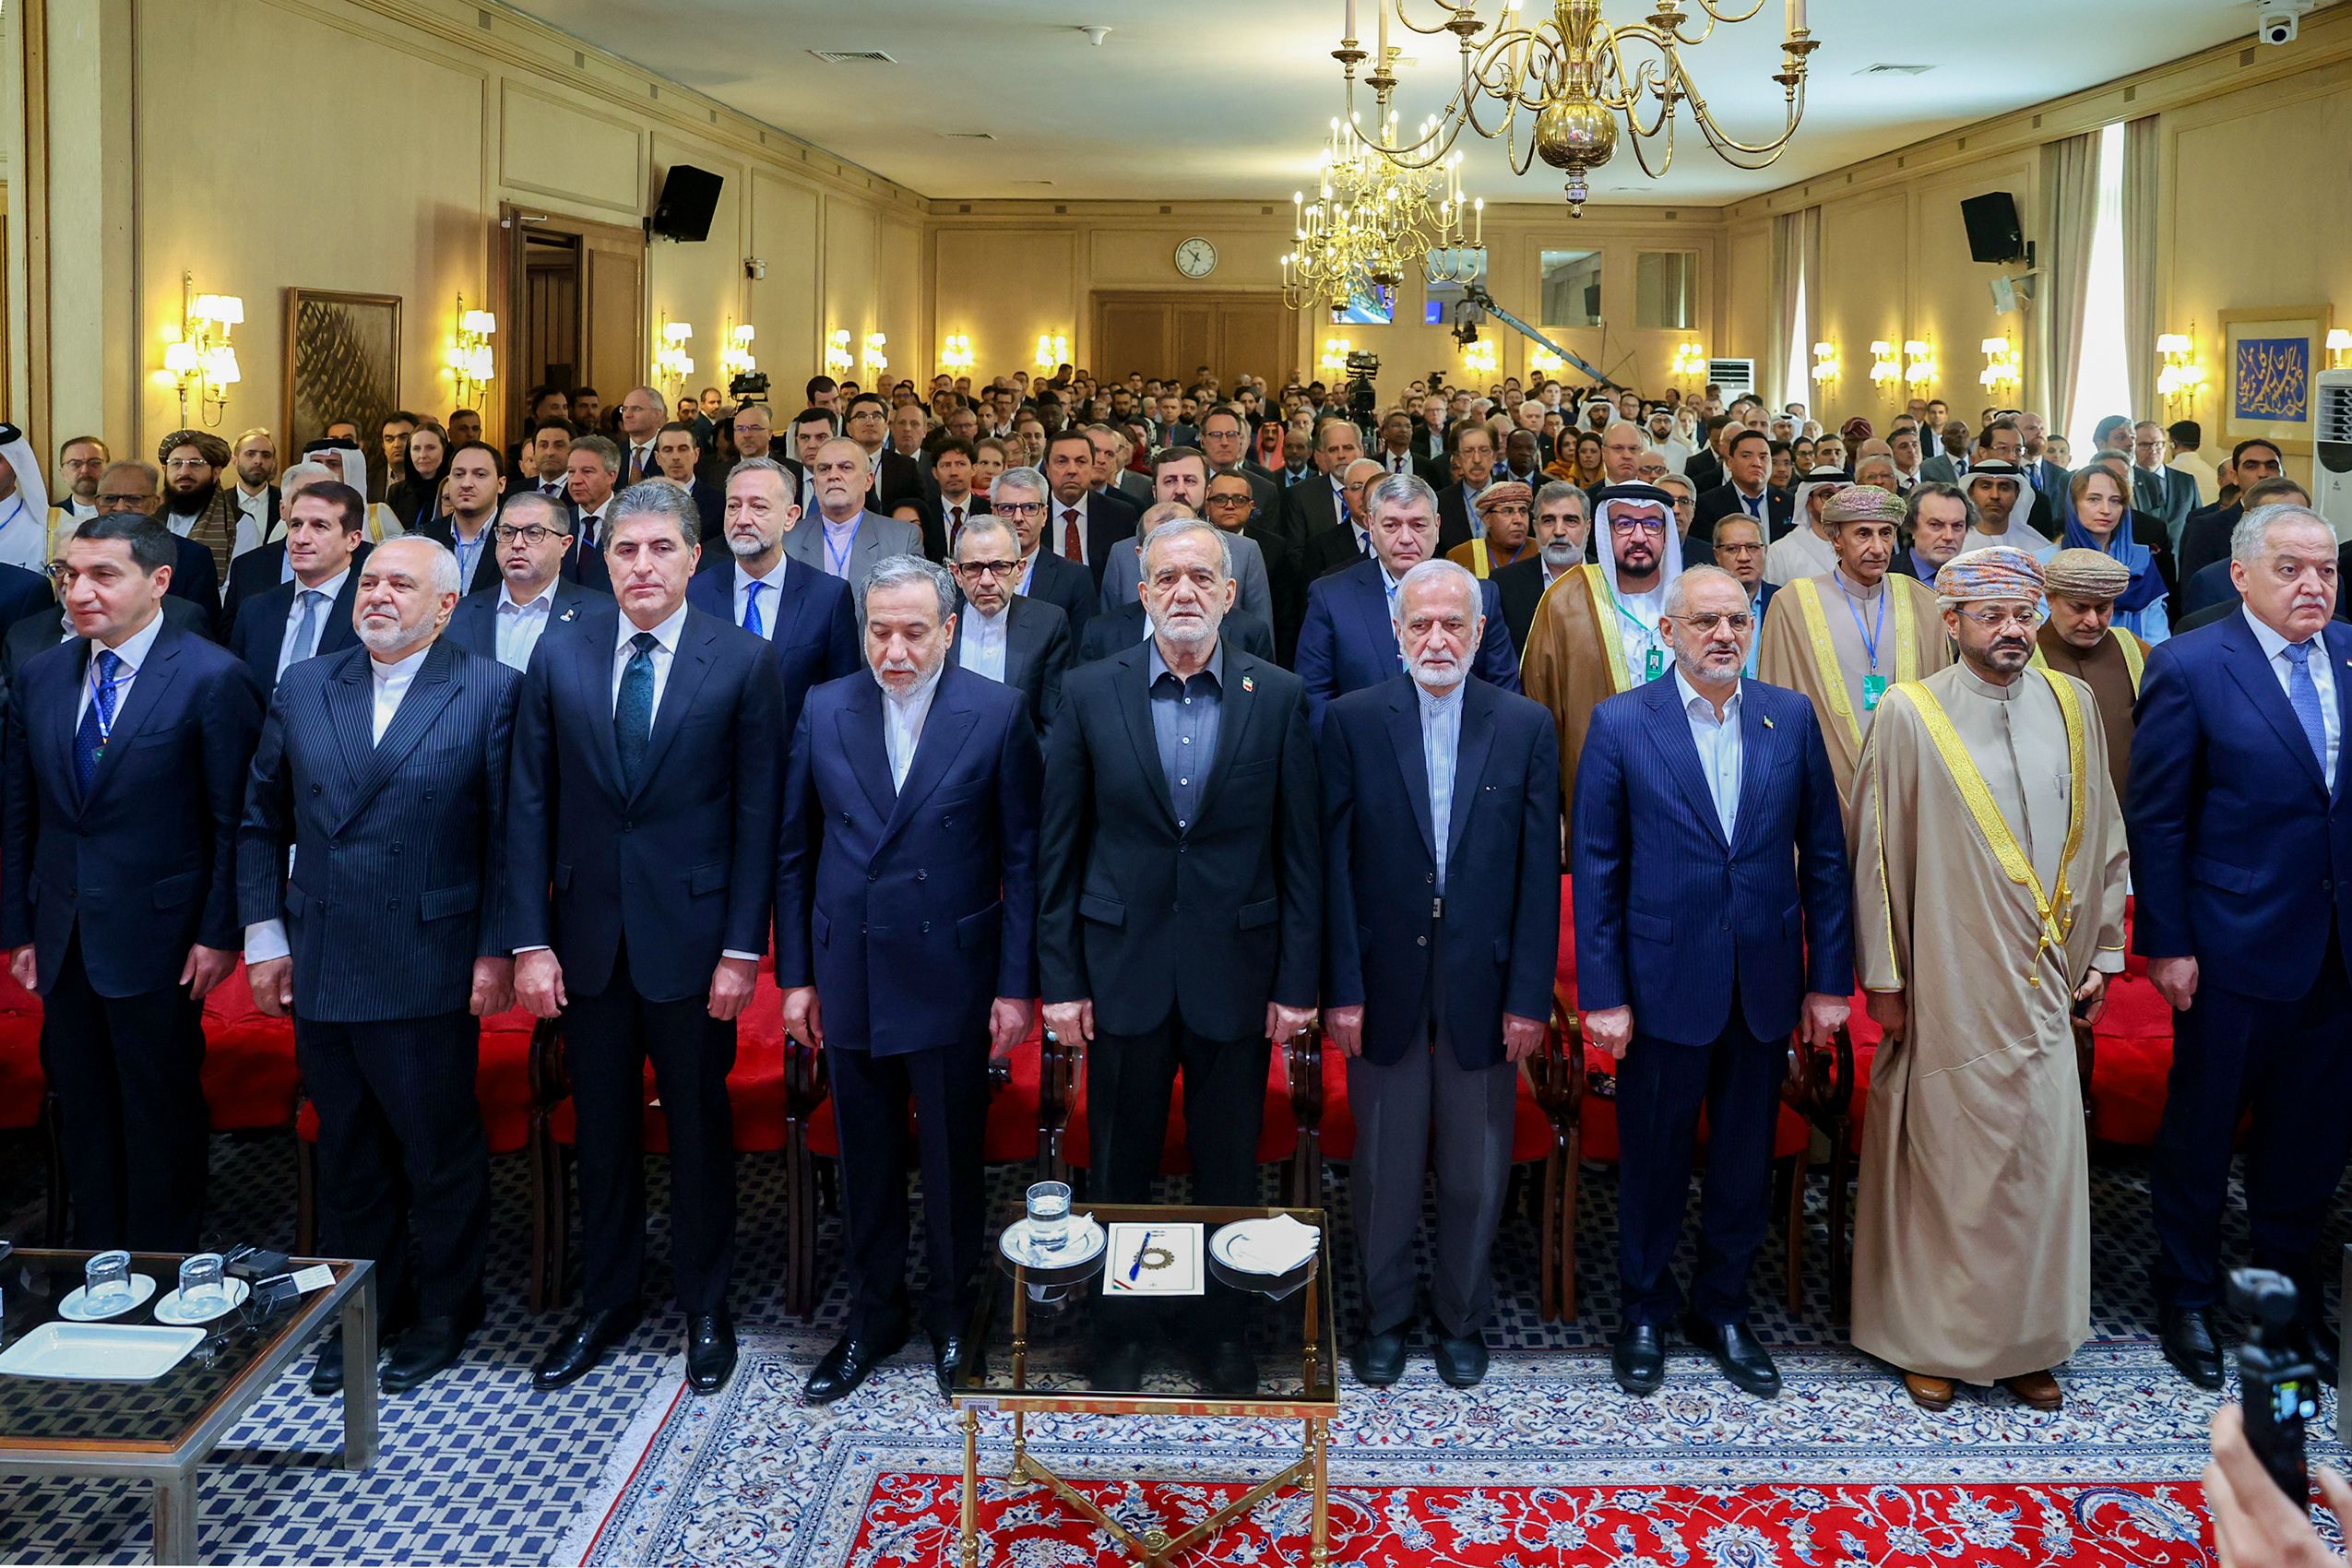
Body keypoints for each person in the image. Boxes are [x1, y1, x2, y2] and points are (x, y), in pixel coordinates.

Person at [508, 481, 786, 1396]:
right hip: (586, 939)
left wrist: (743, 948)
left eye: (661, 548)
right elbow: (529, 803)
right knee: (603, 1128)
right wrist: (529, 939)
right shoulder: (562, 649)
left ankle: (706, 1305)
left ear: (694, 558)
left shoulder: (742, 659)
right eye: (626, 550)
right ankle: (608, 1299)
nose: (643, 566)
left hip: (696, 943)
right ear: (604, 558)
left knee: (698, 1128)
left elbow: (759, 817)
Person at [1039, 517, 1319, 1393]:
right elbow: (1059, 849)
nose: (1185, 592)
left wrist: (1297, 982)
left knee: (1229, 1164)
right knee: (1118, 1163)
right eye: (1167, 578)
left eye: (1202, 577)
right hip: (1120, 968)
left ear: (1231, 594)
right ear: (1141, 593)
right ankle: (1120, 1328)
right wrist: (1060, 981)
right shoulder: (1090, 691)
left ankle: (1222, 1330)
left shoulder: (1279, 694)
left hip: (1237, 969)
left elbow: (1300, 853)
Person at [1849, 546, 2129, 1413]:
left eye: (2022, 615)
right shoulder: (1910, 712)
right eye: (1991, 615)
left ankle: (2027, 1339)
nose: (2011, 630)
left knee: (2039, 1162)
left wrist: (2105, 949)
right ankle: (1934, 1338)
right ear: (1953, 622)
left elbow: (2104, 830)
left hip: (2048, 977)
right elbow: (1876, 856)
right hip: (1948, 973)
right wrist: (1885, 979)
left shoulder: (2072, 703)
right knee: (1953, 1159)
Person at [238, 534, 515, 1395]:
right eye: (370, 582)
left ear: (446, 605)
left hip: (429, 954)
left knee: (436, 1153)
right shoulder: (306, 683)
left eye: (401, 584)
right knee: (349, 1154)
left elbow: (511, 837)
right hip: (324, 953)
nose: (379, 596)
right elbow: (259, 819)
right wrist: (264, 934)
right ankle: (367, 1310)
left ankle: (447, 1310)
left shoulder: (490, 688)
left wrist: (496, 950)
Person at [1574, 564, 1849, 1400]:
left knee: (1742, 1162)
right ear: (1669, 633)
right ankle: (1644, 1311)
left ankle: (1723, 1308)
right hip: (1662, 984)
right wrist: (1603, 994)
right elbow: (1597, 869)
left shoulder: (1789, 716)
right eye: (1705, 622)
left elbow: (1825, 859)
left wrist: (1828, 981)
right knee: (1653, 1161)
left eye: (1737, 619)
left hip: (1763, 983)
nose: (1724, 635)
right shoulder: (1623, 723)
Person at [778, 555, 1041, 1405]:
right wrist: (797, 977)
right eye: (880, 631)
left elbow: (1023, 863)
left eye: (914, 633)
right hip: (849, 964)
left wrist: (1014, 987)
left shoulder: (996, 711)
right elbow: (794, 850)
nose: (895, 651)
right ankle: (873, 1315)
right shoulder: (824, 707)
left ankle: (954, 1313)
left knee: (952, 1159)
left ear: (949, 631)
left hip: (951, 970)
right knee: (866, 1155)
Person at [1321, 559, 1558, 1391]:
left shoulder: (1524, 724)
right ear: (1396, 633)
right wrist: (1342, 988)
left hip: (1484, 986)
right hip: (1383, 979)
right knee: (1383, 1166)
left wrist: (1530, 996)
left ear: (1480, 631)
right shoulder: (1351, 721)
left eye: (1453, 624)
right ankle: (1384, 1316)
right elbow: (1332, 867)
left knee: (1474, 1166)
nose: (1436, 640)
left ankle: (1461, 1315)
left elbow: (1538, 874)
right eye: (1419, 624)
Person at [2131, 503, 2352, 1391]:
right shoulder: (2190, 665)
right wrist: (2168, 942)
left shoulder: (2350, 654)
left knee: (2309, 1141)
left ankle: (2285, 1305)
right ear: (2242, 574)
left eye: (2326, 570)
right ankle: (2185, 1294)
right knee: (2203, 1130)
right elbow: (2158, 818)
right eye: (2292, 569)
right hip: (2228, 946)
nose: (2313, 586)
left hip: (2335, 951)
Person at [0, 512, 261, 1253]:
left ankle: (162, 1261)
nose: (79, 592)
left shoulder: (212, 677)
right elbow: (21, 812)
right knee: (82, 1104)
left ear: (159, 581)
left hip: (164, 935)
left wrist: (220, 932)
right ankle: (97, 1259)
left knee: (158, 1109)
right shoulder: (43, 673)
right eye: (68, 575)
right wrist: (19, 928)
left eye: (102, 575)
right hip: (63, 931)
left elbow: (235, 821)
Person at [1756, 486, 1951, 815]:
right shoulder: (1793, 603)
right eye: (1863, 534)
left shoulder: (1923, 602)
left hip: (1907, 790)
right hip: (1822, 791)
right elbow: (1775, 712)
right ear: (1836, 539)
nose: (1877, 547)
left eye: (1885, 533)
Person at [1295, 472, 1520, 735]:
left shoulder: (1481, 595)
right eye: (1391, 525)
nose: (1405, 538)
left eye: (1418, 525)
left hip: (1462, 747)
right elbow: (1315, 696)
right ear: (1371, 526)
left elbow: (1504, 692)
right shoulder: (1331, 597)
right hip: (1364, 750)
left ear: (1437, 525)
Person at [1520, 484, 1687, 809]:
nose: (1639, 536)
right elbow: (1539, 708)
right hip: (1596, 789)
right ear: (1603, 530)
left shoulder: (1690, 602)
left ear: (1666, 532)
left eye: (1652, 524)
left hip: (1680, 786)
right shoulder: (1564, 601)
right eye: (1624, 524)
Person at [683, 456, 859, 742]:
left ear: (790, 517)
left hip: (795, 760)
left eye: (759, 507)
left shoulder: (828, 597)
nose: (742, 519)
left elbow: (844, 701)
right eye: (733, 506)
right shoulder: (696, 593)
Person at [2031, 548, 2148, 807]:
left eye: (2103, 608)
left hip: (2135, 813)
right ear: (2050, 598)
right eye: (2079, 607)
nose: (2092, 621)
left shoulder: (2134, 650)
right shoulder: (2024, 659)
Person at [229, 481, 370, 691]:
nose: (301, 538)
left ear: (353, 540)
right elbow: (237, 690)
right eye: (295, 525)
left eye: (319, 526)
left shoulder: (371, 610)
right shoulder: (256, 610)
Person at [444, 490, 600, 672]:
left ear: (564, 544)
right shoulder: (459, 614)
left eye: (533, 533)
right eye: (507, 532)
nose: (517, 544)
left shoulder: (599, 616)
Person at [947, 513, 1071, 737]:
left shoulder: (1048, 624)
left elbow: (1053, 723)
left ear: (1019, 570)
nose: (986, 581)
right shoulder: (938, 623)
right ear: (957, 574)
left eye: (999, 566)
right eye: (973, 567)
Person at [2052, 462, 2169, 642]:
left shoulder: (2141, 561)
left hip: (2136, 657)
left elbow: (2157, 636)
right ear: (2073, 504)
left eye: (2115, 501)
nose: (2106, 510)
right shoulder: (2047, 562)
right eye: (2093, 499)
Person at [785, 436, 925, 583]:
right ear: (815, 484)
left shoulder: (902, 539)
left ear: (868, 481)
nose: (833, 476)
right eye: (824, 469)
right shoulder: (788, 540)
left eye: (845, 467)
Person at [1492, 481, 1587, 653]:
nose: (1559, 531)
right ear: (1536, 528)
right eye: (1548, 521)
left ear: (1587, 528)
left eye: (1570, 520)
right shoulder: (1504, 584)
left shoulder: (1609, 577)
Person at [2178, 438, 2287, 585]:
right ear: (2235, 477)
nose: (2263, 473)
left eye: (2271, 466)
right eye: (2251, 466)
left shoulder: (2299, 525)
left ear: (2283, 475)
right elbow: (2194, 588)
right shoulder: (2206, 528)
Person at [414, 443, 508, 597]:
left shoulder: (516, 538)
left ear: (501, 484)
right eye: (459, 474)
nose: (466, 484)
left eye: (480, 475)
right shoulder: (424, 538)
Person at [155, 430, 241, 579]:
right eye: (176, 463)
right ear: (165, 470)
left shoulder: (240, 523)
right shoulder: (153, 518)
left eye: (195, 464)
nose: (184, 472)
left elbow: (239, 583)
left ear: (216, 473)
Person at [1704, 515, 1776, 678]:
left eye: (1752, 547)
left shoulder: (1783, 602)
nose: (1744, 557)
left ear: (1765, 550)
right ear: (1717, 555)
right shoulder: (1702, 605)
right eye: (1732, 549)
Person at [1692, 431, 1790, 545]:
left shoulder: (1789, 503)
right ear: (1730, 463)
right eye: (1746, 456)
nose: (1757, 463)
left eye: (1763, 457)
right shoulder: (1707, 505)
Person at [1447, 480, 1539, 576]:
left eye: (1523, 511)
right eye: (1508, 511)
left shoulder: (1541, 552)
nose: (1518, 520)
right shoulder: (1461, 557)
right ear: (1487, 519)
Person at [1887, 481, 1973, 583]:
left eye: (1957, 526)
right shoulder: (1884, 577)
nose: (1948, 536)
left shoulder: (1976, 579)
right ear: (1911, 527)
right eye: (1935, 525)